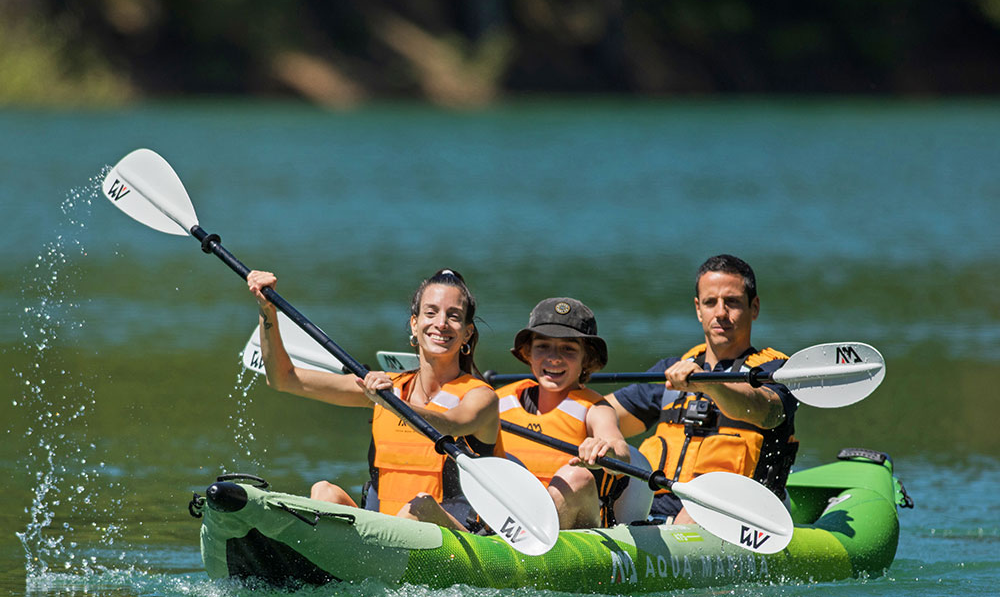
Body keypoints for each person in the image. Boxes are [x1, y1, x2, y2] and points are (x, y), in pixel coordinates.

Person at [247, 267, 500, 530]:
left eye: (454, 316)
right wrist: (267, 310)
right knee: (324, 492)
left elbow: (449, 425)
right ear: (415, 323)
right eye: (431, 312)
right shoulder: (385, 387)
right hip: (381, 537)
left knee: (421, 506)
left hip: (455, 539)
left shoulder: (481, 396)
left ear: (467, 333)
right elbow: (283, 378)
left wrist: (391, 402)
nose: (441, 323)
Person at [607, 254, 798, 523]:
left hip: (737, 515)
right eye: (711, 302)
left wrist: (709, 384)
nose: (720, 312)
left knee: (700, 505)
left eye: (731, 302)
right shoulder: (673, 370)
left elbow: (766, 412)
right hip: (653, 511)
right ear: (698, 309)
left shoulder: (775, 371)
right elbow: (602, 414)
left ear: (754, 308)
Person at [496, 297, 643, 529]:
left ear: (587, 359)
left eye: (568, 349)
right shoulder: (497, 401)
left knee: (577, 477)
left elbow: (620, 450)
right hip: (500, 522)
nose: (554, 357)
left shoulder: (596, 409)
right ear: (527, 353)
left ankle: (529, 542)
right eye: (542, 346)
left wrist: (606, 450)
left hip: (573, 531)